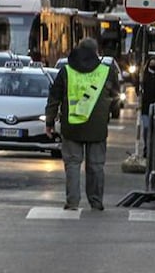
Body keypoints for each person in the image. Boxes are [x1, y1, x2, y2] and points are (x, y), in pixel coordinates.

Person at [45, 37, 119, 211]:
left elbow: (54, 98)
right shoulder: (106, 71)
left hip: (72, 125)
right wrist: (108, 113)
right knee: (96, 165)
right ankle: (96, 201)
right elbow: (115, 97)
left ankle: (72, 202)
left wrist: (49, 121)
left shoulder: (66, 71)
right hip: (98, 127)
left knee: (72, 164)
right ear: (96, 52)